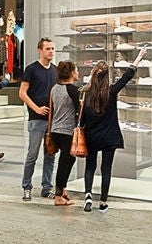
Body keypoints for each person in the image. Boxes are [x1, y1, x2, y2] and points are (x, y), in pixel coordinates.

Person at [81, 50, 143, 212]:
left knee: (90, 167)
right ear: (107, 76)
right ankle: (102, 202)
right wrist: (137, 59)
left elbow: (82, 118)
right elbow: (127, 76)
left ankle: (88, 195)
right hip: (109, 137)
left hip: (91, 136)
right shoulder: (112, 91)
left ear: (93, 74)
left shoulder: (86, 93)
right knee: (106, 169)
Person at [19, 38, 58, 201]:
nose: (51, 51)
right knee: (32, 155)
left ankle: (46, 187)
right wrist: (36, 109)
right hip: (36, 119)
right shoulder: (32, 69)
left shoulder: (55, 70)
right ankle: (27, 186)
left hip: (52, 120)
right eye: (48, 48)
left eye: (53, 49)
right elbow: (22, 93)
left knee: (50, 155)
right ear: (39, 50)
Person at [48, 61, 83, 206]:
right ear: (71, 73)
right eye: (76, 70)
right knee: (65, 162)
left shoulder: (54, 88)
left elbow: (52, 109)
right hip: (67, 131)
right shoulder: (73, 91)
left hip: (55, 129)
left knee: (69, 160)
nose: (78, 73)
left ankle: (62, 190)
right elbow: (80, 112)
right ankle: (58, 196)